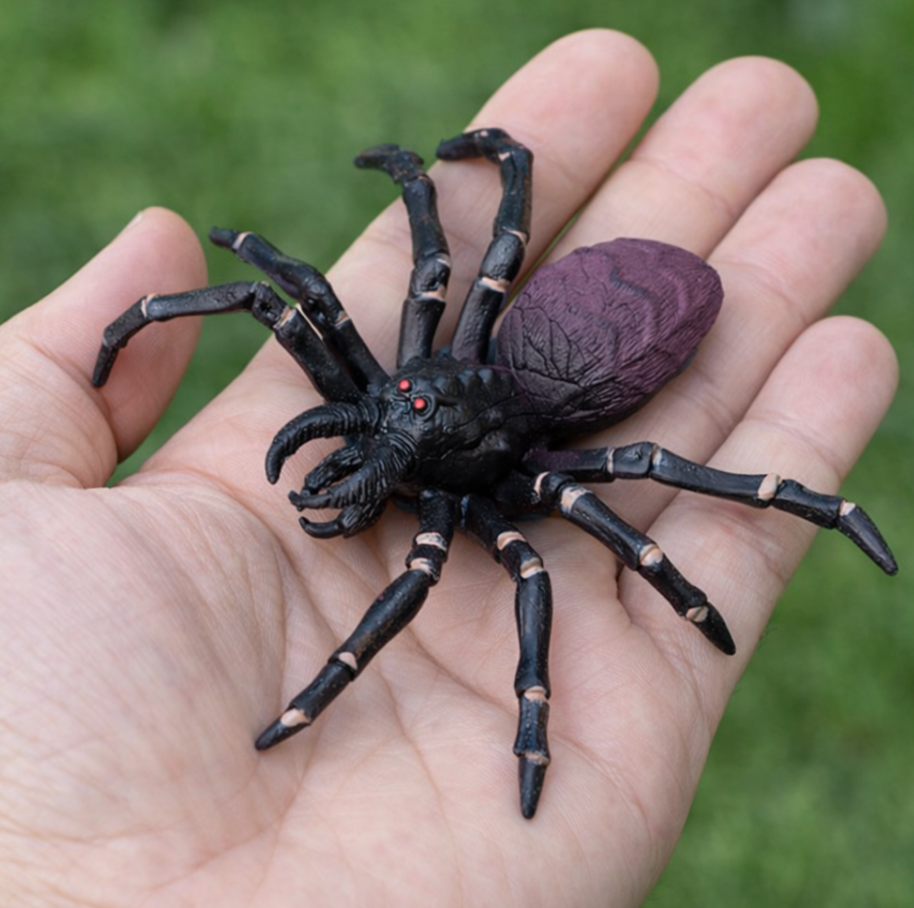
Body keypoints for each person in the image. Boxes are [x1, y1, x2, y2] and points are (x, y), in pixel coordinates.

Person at [0, 28, 896, 908]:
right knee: (293, 309)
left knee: (591, 513)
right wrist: (287, 262)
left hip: (578, 371)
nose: (368, 446)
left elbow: (596, 508)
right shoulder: (403, 384)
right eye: (376, 425)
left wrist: (672, 583)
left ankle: (807, 509)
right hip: (527, 353)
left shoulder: (515, 491)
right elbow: (270, 294)